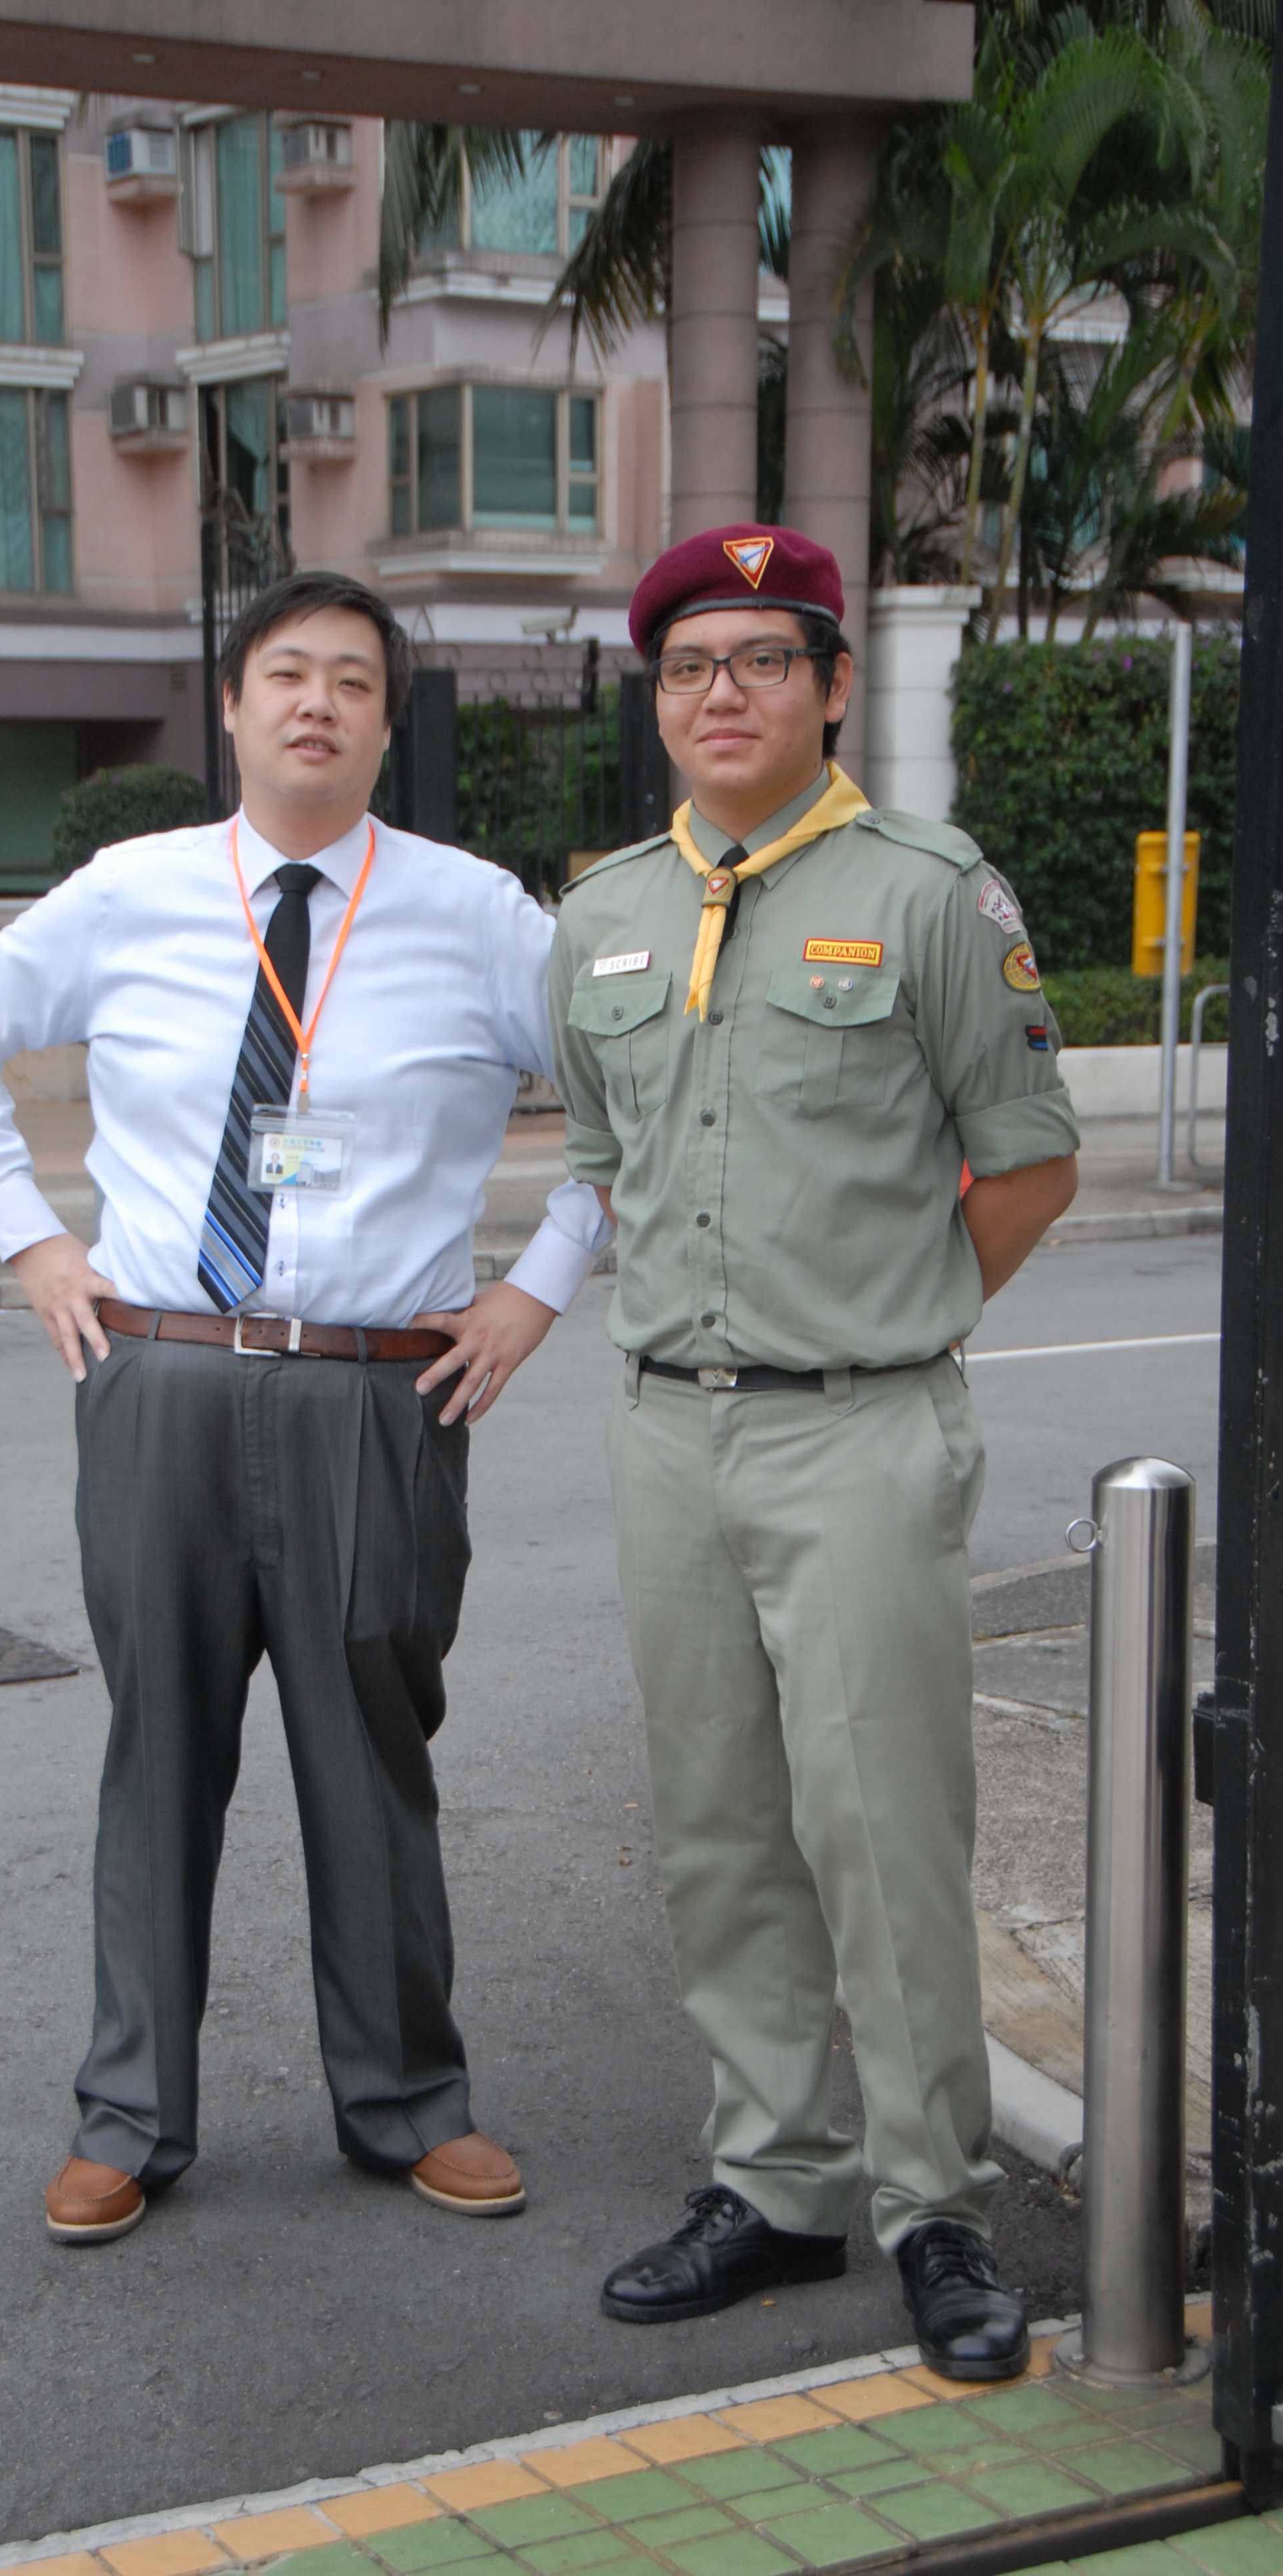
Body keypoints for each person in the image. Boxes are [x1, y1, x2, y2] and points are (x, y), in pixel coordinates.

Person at [0, 569, 610, 2245]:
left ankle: (409, 2099)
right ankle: (129, 2116)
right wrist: (32, 1242)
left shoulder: (477, 915)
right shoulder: (131, 892)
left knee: (371, 1756)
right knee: (157, 1756)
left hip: (377, 1392)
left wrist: (539, 1282)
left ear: (385, 724)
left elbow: (637, 1094)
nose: (318, 703)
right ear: (230, 707)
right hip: (157, 1375)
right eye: (287, 673)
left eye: (354, 681)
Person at [547, 525, 1079, 2380]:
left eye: (765, 659)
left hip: (858, 1427)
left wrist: (896, 1316)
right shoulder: (603, 913)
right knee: (720, 1830)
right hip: (667, 1432)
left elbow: (1028, 1164)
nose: (724, 694)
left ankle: (938, 2205)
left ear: (834, 686)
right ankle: (774, 2182)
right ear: (661, 698)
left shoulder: (930, 892)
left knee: (884, 1837)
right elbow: (606, 1163)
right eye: (693, 665)